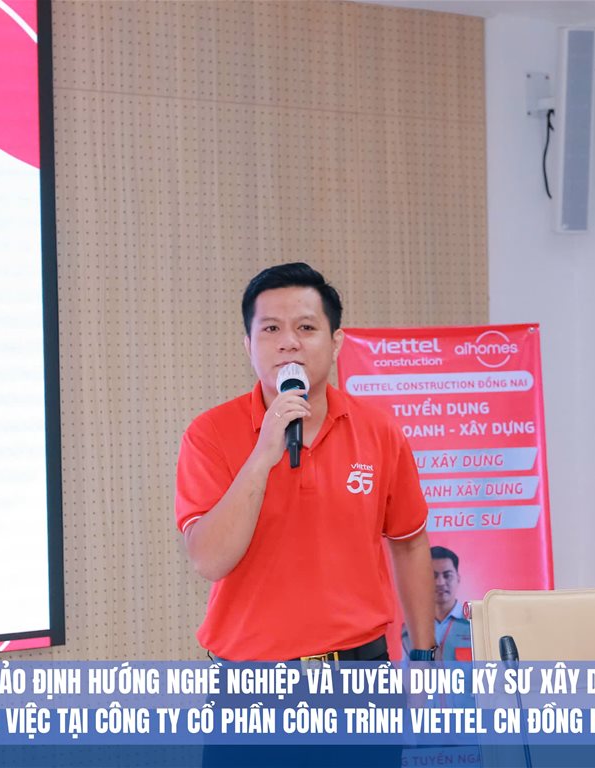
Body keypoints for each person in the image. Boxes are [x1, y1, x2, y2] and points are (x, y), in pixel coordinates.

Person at [175, 262, 436, 663]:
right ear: (248, 345)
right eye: (271, 328)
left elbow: (410, 543)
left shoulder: (378, 430)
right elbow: (209, 561)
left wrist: (424, 655)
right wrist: (262, 455)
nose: (289, 343)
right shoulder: (209, 433)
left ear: (336, 343)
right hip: (251, 678)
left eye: (306, 327)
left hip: (360, 669)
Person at [402, 546, 472, 662]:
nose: (440, 583)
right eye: (433, 576)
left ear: (458, 578)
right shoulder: (411, 628)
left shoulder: (473, 624)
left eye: (447, 575)